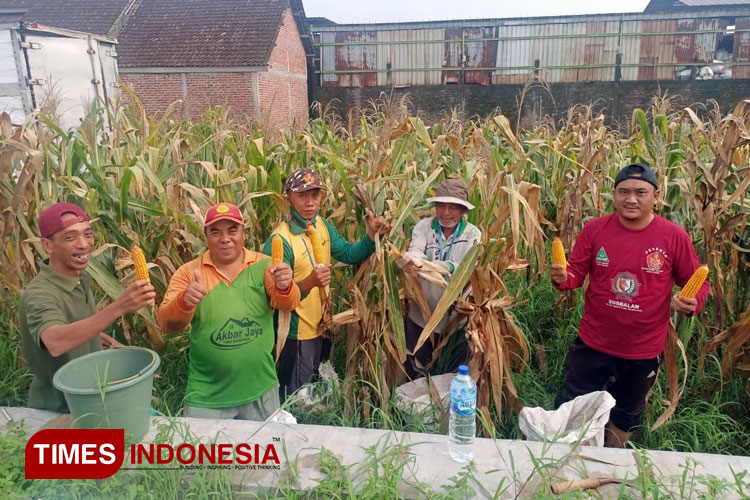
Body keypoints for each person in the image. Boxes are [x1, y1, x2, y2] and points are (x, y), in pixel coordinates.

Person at [551, 163, 709, 447]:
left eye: (640, 192)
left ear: (656, 196)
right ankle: (563, 457)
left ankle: (612, 464)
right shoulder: (595, 229)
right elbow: (574, 274)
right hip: (593, 342)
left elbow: (697, 282)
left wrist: (692, 301)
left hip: (642, 350)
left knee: (625, 414)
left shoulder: (674, 237)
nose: (631, 199)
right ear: (614, 195)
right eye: (623, 191)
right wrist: (562, 278)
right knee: (573, 406)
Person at [157, 202, 300, 420]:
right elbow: (167, 325)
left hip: (261, 391)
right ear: (206, 236)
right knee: (207, 455)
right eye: (216, 232)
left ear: (244, 233)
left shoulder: (264, 265)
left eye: (232, 230)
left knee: (263, 453)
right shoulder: (188, 273)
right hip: (207, 397)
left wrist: (285, 286)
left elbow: (287, 303)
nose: (225, 239)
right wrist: (184, 302)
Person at [262, 168, 389, 399]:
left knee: (317, 392)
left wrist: (371, 237)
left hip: (323, 325)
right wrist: (309, 282)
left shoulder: (321, 224)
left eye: (315, 195)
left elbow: (349, 254)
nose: (310, 202)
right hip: (296, 333)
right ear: (287, 197)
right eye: (302, 195)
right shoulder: (280, 240)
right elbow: (278, 299)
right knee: (297, 398)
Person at [19, 202, 156, 412]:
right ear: (47, 245)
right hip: (58, 410)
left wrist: (96, 337)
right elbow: (54, 341)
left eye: (88, 234)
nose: (84, 244)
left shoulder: (78, 279)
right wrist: (119, 306)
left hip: (89, 401)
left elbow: (71, 324)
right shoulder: (40, 294)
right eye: (70, 237)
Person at [401, 177, 482, 379]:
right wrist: (410, 261)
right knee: (417, 365)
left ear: (463, 210)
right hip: (422, 310)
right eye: (441, 206)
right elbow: (415, 252)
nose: (446, 213)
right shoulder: (423, 228)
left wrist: (435, 266)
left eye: (453, 207)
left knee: (452, 369)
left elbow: (466, 266)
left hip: (456, 317)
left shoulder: (473, 234)